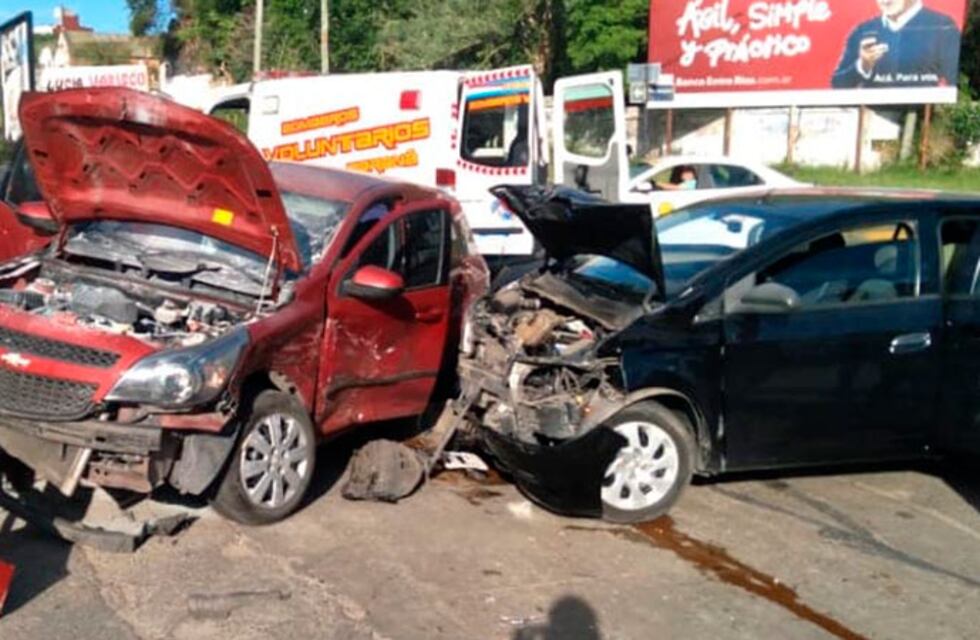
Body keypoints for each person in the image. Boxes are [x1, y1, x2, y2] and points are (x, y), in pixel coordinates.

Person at [831, 0, 961, 88]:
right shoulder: (864, 30)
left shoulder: (941, 26)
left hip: (919, 115)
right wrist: (863, 66)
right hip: (872, 118)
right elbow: (838, 83)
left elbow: (954, 83)